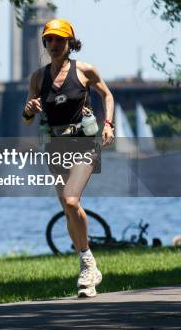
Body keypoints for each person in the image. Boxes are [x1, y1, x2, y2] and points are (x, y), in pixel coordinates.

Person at [22, 18, 115, 298]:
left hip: (84, 142)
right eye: (49, 40)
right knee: (68, 207)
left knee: (72, 200)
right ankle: (88, 264)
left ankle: (87, 264)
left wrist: (108, 124)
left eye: (59, 40)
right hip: (55, 145)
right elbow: (27, 120)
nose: (54, 44)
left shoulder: (85, 70)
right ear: (44, 43)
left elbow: (107, 95)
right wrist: (29, 110)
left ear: (70, 43)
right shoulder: (38, 78)